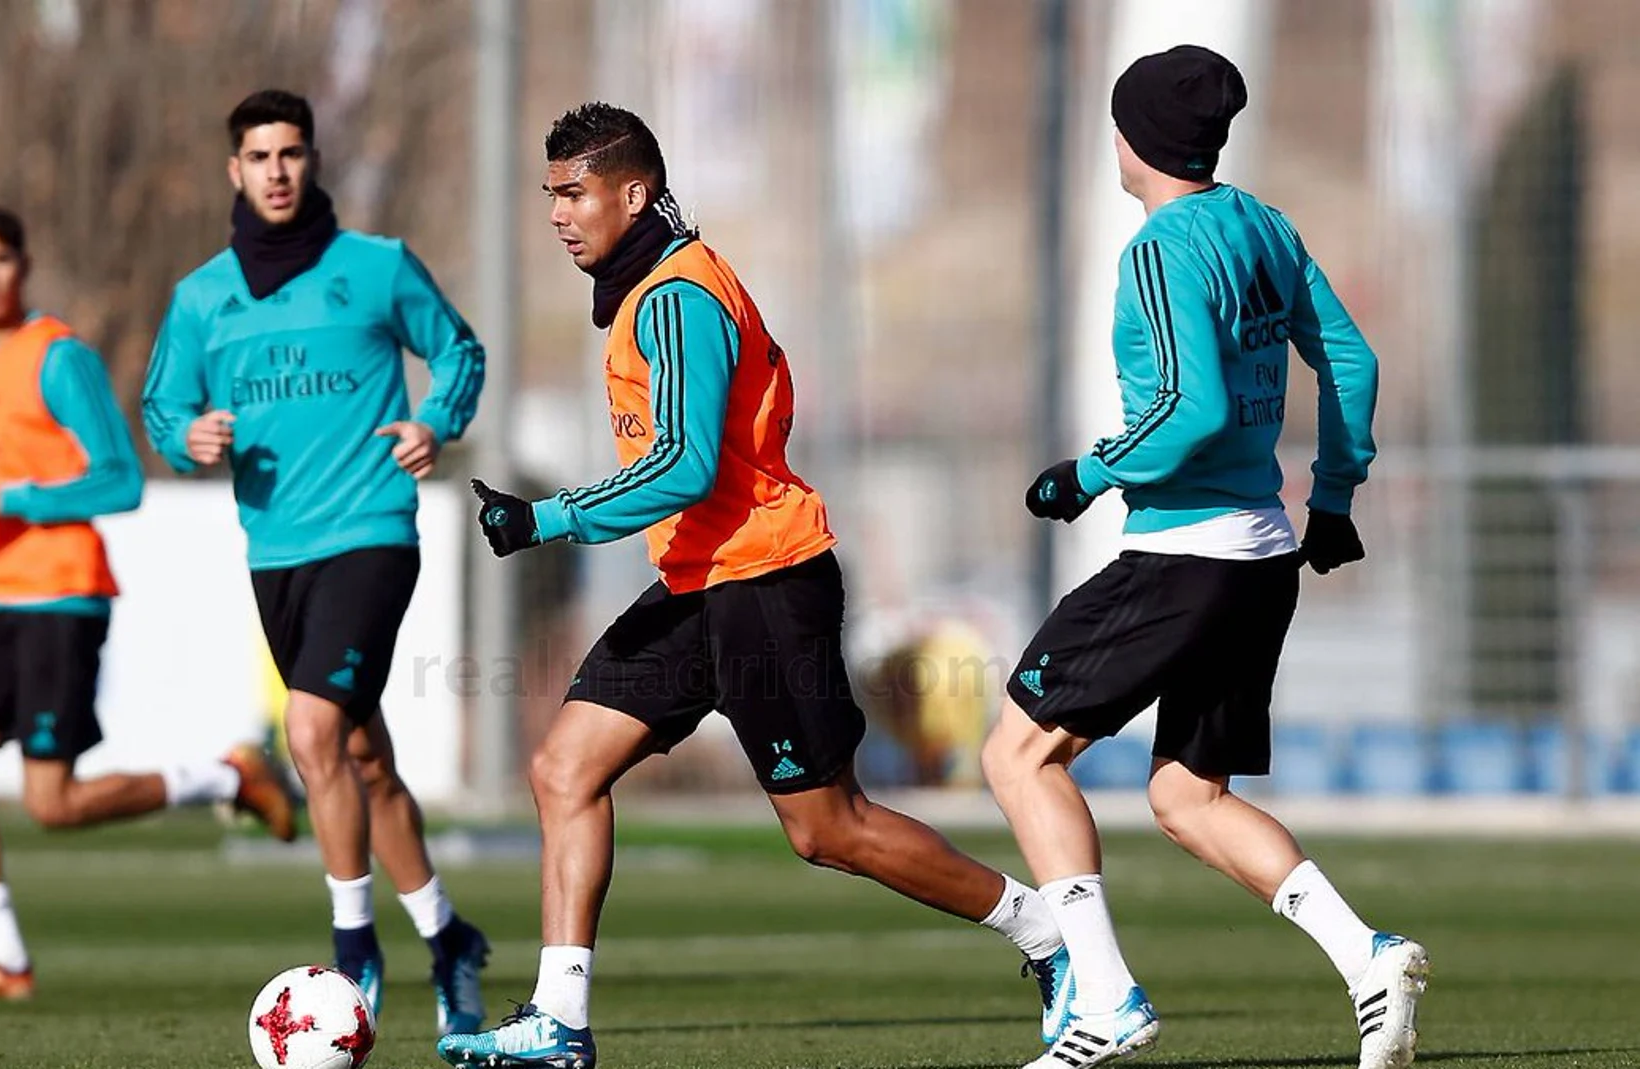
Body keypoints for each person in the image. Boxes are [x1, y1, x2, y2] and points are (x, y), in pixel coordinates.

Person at [441, 102, 1072, 1069]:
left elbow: (686, 466)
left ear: (633, 193)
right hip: (702, 578)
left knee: (829, 829)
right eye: (552, 196)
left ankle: (1049, 937)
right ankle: (558, 1020)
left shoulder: (679, 295)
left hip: (767, 581)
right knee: (563, 768)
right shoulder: (648, 286)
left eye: (575, 194)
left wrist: (545, 517)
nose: (560, 215)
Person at [985, 46, 1428, 1069]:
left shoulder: (1158, 247)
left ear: (1129, 138)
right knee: (1188, 797)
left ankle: (1104, 998)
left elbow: (1195, 409)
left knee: (1016, 753)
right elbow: (1349, 359)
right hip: (1261, 556)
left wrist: (1084, 475)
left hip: (1182, 557)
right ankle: (1367, 958)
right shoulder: (1263, 223)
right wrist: (1332, 498)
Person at [0, 206, 295, 1005]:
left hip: (63, 598)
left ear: (23, 267)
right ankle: (3, 959)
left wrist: (6, 496)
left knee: (51, 802)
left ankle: (223, 776)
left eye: (1, 259)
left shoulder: (58, 358)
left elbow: (118, 480)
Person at [140, 89, 490, 1036]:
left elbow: (457, 350)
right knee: (364, 761)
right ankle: (450, 936)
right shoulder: (202, 298)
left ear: (313, 159)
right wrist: (191, 436)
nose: (278, 170)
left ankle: (353, 952)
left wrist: (435, 421)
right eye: (260, 156)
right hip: (277, 551)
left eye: (292, 152)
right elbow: (162, 409)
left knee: (308, 732)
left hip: (372, 533)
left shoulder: (375, 269)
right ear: (235, 170)